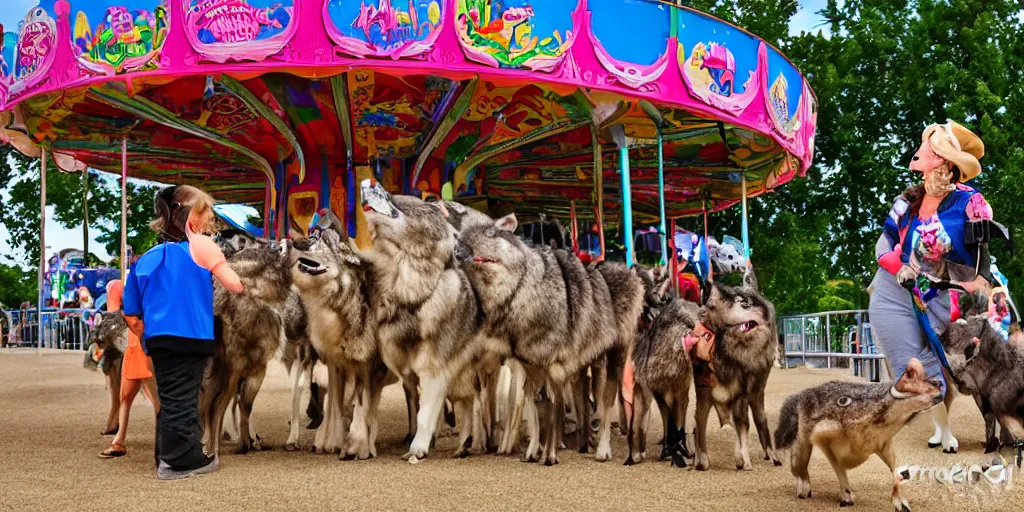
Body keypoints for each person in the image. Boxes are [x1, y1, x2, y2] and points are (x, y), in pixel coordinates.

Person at [869, 120, 993, 454]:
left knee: (947, 361)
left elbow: (982, 252)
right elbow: (883, 243)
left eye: (937, 152)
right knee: (914, 359)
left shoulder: (971, 202)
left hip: (941, 292)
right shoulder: (904, 201)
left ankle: (953, 426)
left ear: (949, 166)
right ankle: (943, 429)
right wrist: (898, 266)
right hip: (895, 289)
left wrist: (978, 282)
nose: (928, 159)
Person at [122, 185, 244, 480]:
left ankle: (177, 453)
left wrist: (146, 334)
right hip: (193, 336)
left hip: (160, 339)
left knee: (176, 395)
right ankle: (177, 461)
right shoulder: (201, 252)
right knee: (183, 398)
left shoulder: (146, 260)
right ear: (188, 218)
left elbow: (131, 312)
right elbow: (235, 284)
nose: (210, 222)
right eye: (205, 215)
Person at [99, 279, 160, 459]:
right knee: (127, 396)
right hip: (136, 346)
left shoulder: (130, 290)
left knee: (152, 399)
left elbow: (116, 315)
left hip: (141, 346)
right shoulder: (140, 290)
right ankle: (119, 440)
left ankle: (161, 442)